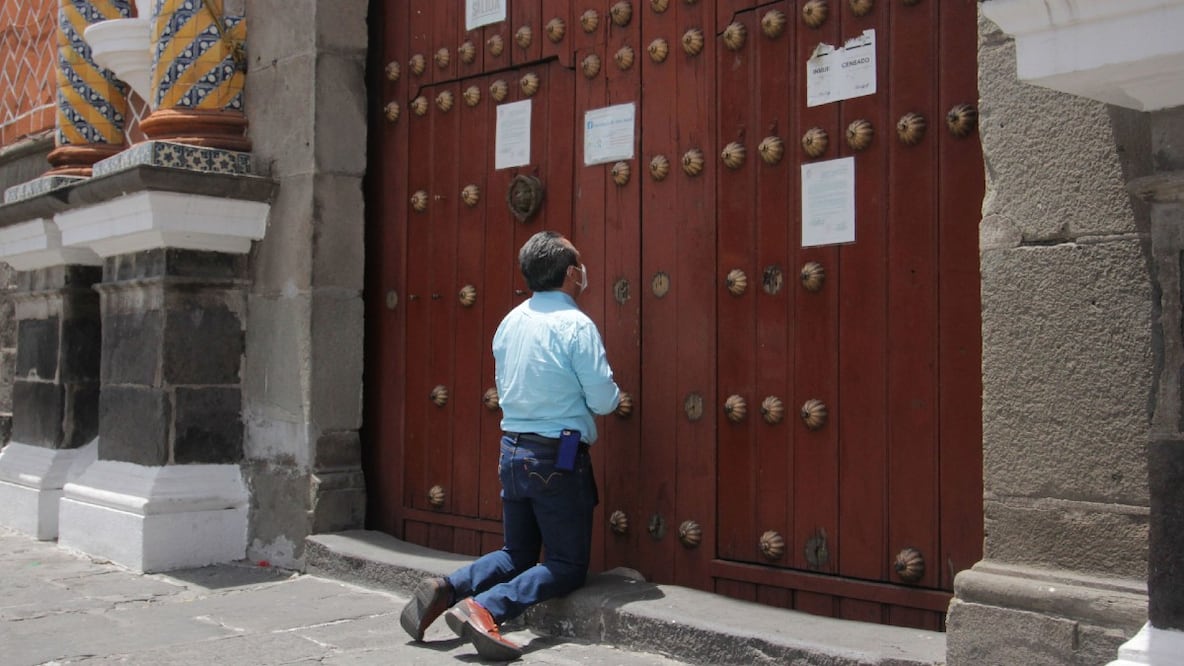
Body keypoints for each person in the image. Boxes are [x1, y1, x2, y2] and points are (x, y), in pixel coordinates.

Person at [400, 230, 621, 660]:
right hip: (558, 454)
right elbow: (603, 400)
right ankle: (483, 609)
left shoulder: (510, 321)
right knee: (566, 564)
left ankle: (447, 588)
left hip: (513, 450)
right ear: (572, 273)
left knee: (516, 552)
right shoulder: (575, 325)